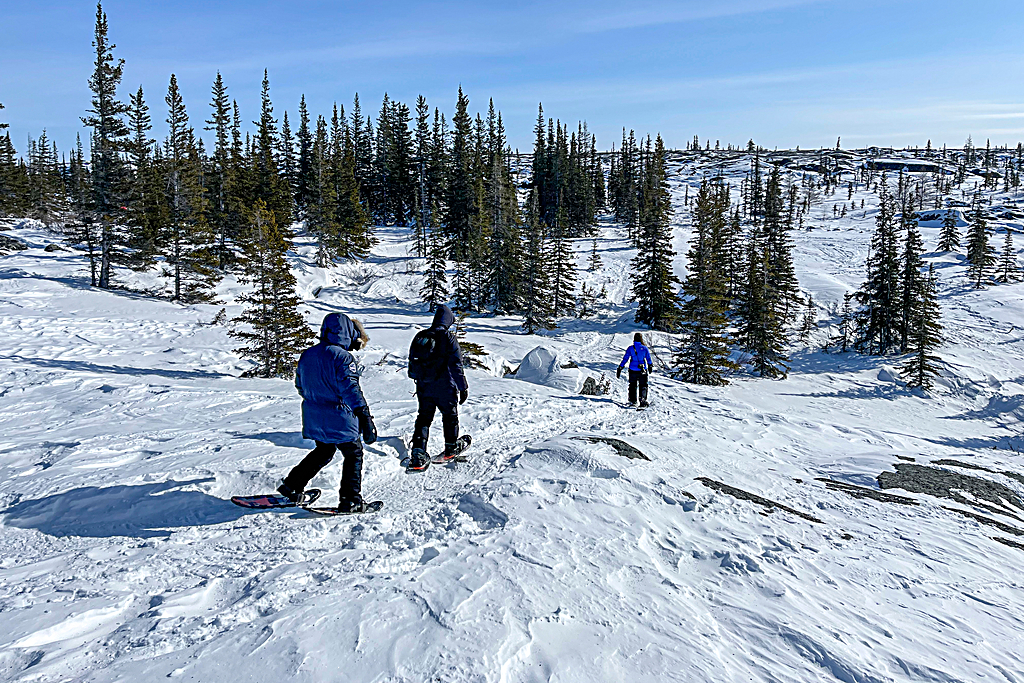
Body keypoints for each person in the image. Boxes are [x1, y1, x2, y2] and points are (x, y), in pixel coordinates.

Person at [277, 312, 377, 512]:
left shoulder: (308, 354)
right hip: (340, 416)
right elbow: (351, 390)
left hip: (314, 415)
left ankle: (292, 485)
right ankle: (351, 499)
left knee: (324, 450)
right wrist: (364, 416)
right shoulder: (342, 357)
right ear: (347, 332)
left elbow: (300, 386)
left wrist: (317, 399)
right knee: (353, 453)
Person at [406, 304, 468, 471]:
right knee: (450, 417)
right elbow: (456, 366)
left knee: (424, 418)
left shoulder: (421, 335)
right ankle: (450, 448)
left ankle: (418, 453)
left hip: (423, 386)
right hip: (445, 387)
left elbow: (412, 364)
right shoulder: (448, 337)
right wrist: (463, 387)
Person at [617, 332, 652, 408]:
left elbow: (625, 358)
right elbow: (648, 358)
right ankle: (642, 400)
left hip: (632, 370)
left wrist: (620, 367)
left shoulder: (630, 348)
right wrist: (650, 365)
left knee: (632, 385)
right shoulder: (644, 348)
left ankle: (633, 401)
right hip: (642, 370)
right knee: (643, 385)